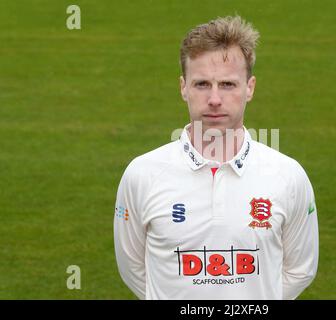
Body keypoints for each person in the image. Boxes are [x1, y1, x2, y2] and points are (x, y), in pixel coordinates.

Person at [114, 15, 319, 300]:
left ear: (250, 88)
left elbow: (300, 269)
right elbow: (133, 267)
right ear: (183, 87)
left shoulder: (288, 176)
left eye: (227, 85)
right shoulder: (142, 174)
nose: (214, 99)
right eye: (201, 84)